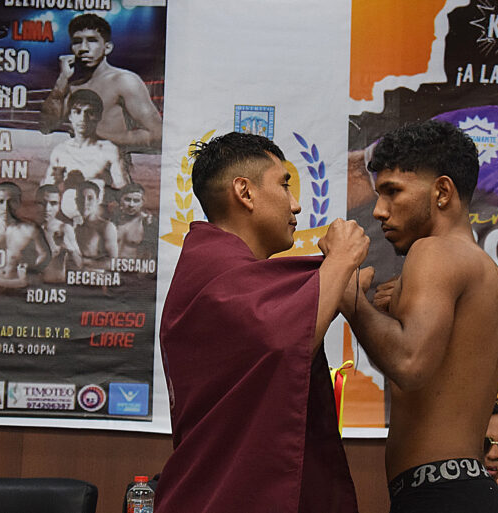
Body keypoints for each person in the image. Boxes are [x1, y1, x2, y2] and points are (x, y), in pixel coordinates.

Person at [156, 132, 368, 513]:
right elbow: (286, 343)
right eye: (284, 185)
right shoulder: (212, 271)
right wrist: (341, 259)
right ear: (245, 192)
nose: (297, 205)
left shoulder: (232, 273)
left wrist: (340, 279)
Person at [338, 120, 498, 512]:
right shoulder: (489, 274)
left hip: (441, 496)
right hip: (462, 490)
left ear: (442, 191)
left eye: (393, 192)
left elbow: (409, 361)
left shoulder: (434, 252)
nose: (379, 210)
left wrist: (351, 299)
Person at [39, 13, 162, 153]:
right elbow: (46, 126)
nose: (84, 48)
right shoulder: (72, 86)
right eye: (77, 41)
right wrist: (62, 78)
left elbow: (157, 135)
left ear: (107, 47)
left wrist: (97, 136)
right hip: (76, 168)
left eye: (92, 40)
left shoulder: (124, 80)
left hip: (111, 170)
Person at [41, 89, 130, 193]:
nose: (83, 118)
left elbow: (125, 191)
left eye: (89, 113)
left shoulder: (110, 150)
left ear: (98, 116)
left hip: (98, 208)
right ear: (70, 116)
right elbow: (46, 191)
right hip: (66, 207)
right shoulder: (60, 151)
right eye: (77, 112)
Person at [0, 182, 51, 290]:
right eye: (0, 201)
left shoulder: (30, 229)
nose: (5, 207)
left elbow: (45, 255)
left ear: (18, 203)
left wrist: (32, 269)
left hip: (20, 286)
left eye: (11, 201)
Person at [36, 184, 82, 283]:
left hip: (57, 288)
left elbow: (80, 264)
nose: (47, 208)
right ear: (36, 203)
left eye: (53, 203)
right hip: (33, 289)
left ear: (59, 205)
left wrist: (68, 246)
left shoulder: (64, 228)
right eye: (43, 203)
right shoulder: (30, 229)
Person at [74, 180, 117, 270]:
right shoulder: (73, 227)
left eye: (90, 198)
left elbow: (113, 263)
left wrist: (85, 262)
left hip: (96, 279)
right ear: (77, 201)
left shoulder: (106, 227)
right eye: (82, 198)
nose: (85, 203)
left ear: (98, 201)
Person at [113, 183, 157, 259]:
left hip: (135, 268)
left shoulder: (147, 222)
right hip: (111, 267)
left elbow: (152, 253)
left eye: (136, 201)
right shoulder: (113, 220)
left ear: (143, 202)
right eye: (127, 200)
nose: (131, 205)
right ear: (121, 200)